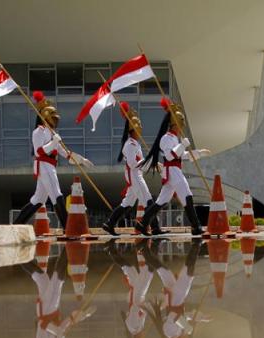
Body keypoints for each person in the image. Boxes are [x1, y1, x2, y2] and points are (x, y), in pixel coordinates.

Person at [13, 91, 94, 228]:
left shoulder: (52, 133)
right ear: (45, 117)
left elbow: (65, 153)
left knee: (38, 199)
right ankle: (68, 227)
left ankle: (16, 225)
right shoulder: (38, 132)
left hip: (50, 166)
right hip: (44, 165)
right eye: (53, 118)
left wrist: (81, 159)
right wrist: (53, 142)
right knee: (57, 194)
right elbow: (39, 151)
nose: (55, 121)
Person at [135, 98, 210, 236]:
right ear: (176, 124)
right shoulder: (166, 138)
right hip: (172, 171)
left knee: (161, 201)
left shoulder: (174, 138)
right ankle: (196, 226)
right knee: (187, 195)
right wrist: (183, 145)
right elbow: (170, 156)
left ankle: (142, 224)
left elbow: (182, 155)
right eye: (181, 124)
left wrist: (198, 153)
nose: (182, 127)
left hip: (173, 171)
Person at [102, 102, 167, 236]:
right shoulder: (130, 144)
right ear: (134, 129)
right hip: (134, 175)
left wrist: (152, 164)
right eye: (139, 126)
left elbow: (139, 163)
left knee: (127, 203)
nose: (141, 128)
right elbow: (133, 163)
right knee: (148, 200)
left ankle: (109, 223)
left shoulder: (135, 144)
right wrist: (150, 162)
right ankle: (154, 228)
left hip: (136, 174)